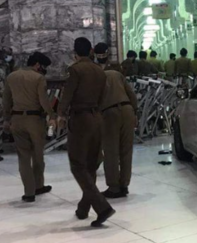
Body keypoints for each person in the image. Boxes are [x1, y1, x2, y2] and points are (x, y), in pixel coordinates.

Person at [57, 37, 115, 227]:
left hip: (80, 118)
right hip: (97, 117)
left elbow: (68, 94)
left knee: (77, 164)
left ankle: (102, 207)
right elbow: (104, 96)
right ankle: (83, 208)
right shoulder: (100, 71)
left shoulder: (75, 69)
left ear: (74, 52)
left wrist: (60, 114)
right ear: (91, 50)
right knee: (91, 164)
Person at [2, 52, 55, 202]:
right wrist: (52, 115)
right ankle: (39, 185)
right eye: (43, 66)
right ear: (37, 64)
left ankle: (29, 192)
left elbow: (6, 100)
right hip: (34, 120)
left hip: (16, 119)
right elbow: (43, 101)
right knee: (38, 155)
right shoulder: (39, 78)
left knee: (23, 157)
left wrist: (7, 119)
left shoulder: (12, 76)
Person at [94, 43, 138, 199]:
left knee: (111, 151)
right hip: (127, 110)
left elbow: (95, 99)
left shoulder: (96, 75)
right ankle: (124, 185)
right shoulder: (117, 73)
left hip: (109, 113)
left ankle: (113, 187)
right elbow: (131, 94)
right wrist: (135, 113)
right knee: (126, 150)